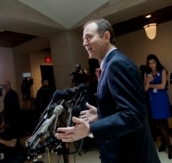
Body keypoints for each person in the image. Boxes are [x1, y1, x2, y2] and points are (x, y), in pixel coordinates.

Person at [55, 18, 160, 163]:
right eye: (83, 39)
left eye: (89, 37)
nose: (84, 43)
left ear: (106, 37)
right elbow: (122, 107)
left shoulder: (118, 64)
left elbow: (134, 115)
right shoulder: (109, 64)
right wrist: (101, 114)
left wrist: (90, 128)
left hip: (130, 154)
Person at [144, 54, 172, 159]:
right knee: (159, 122)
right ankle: (164, 143)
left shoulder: (162, 70)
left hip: (162, 99)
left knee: (162, 122)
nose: (152, 65)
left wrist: (151, 85)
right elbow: (145, 89)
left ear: (157, 62)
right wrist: (148, 81)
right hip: (153, 100)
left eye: (153, 62)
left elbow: (162, 85)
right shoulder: (147, 73)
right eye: (150, 63)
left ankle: (169, 147)